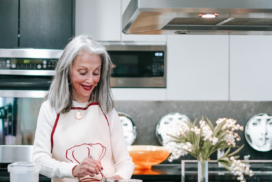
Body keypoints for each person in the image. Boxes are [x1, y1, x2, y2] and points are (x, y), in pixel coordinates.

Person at [33, 35, 135, 182]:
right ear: (68, 70)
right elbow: (39, 160)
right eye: (83, 72)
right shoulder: (50, 109)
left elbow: (125, 162)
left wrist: (117, 178)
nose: (90, 80)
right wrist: (74, 170)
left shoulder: (107, 111)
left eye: (96, 72)